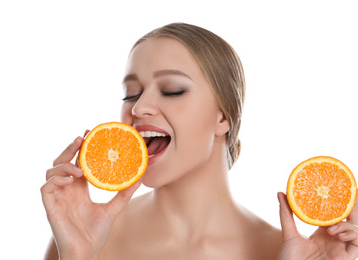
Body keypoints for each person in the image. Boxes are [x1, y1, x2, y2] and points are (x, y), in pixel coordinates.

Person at [41, 23, 358, 259]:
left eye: (172, 90)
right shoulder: (86, 236)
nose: (137, 108)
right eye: (131, 94)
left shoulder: (288, 252)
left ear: (223, 117)